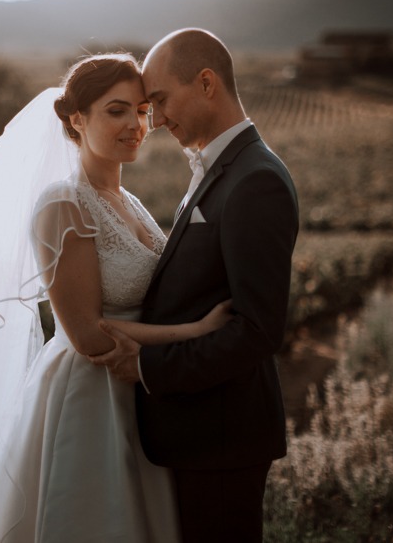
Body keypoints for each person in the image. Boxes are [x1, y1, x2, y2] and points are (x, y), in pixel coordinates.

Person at [0, 53, 232, 542]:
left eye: (141, 110)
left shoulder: (128, 200)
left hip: (143, 388)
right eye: (116, 111)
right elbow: (87, 335)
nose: (136, 124)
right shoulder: (62, 202)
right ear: (77, 119)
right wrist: (197, 333)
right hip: (93, 399)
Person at [91, 29, 300, 542]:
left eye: (159, 101)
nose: (155, 121)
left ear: (206, 83)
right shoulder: (221, 168)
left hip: (222, 442)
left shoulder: (256, 180)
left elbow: (256, 331)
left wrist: (147, 367)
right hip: (197, 436)